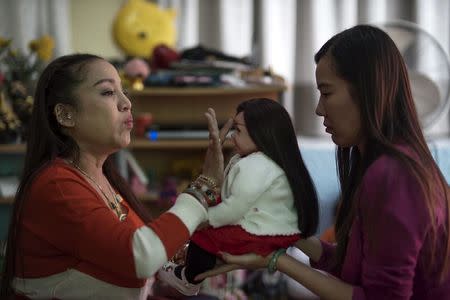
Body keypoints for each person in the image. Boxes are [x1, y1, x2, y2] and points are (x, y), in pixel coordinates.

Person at [194, 24, 450, 300]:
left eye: (326, 93)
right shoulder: (387, 164)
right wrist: (279, 234)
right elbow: (351, 266)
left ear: (368, 91)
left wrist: (277, 260)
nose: (318, 109)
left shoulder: (394, 176)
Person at [0, 53, 233, 299]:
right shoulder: (56, 185)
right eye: (108, 92)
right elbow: (141, 256)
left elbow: (159, 267)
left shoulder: (103, 181)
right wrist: (203, 187)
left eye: (124, 92)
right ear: (65, 115)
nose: (126, 103)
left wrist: (199, 256)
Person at [157, 98, 319, 296]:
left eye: (238, 130)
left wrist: (205, 220)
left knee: (205, 237)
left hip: (261, 230)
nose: (232, 136)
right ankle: (190, 269)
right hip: (263, 225)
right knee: (207, 233)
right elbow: (228, 195)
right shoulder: (250, 161)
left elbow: (235, 206)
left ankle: (188, 278)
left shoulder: (256, 165)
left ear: (261, 133)